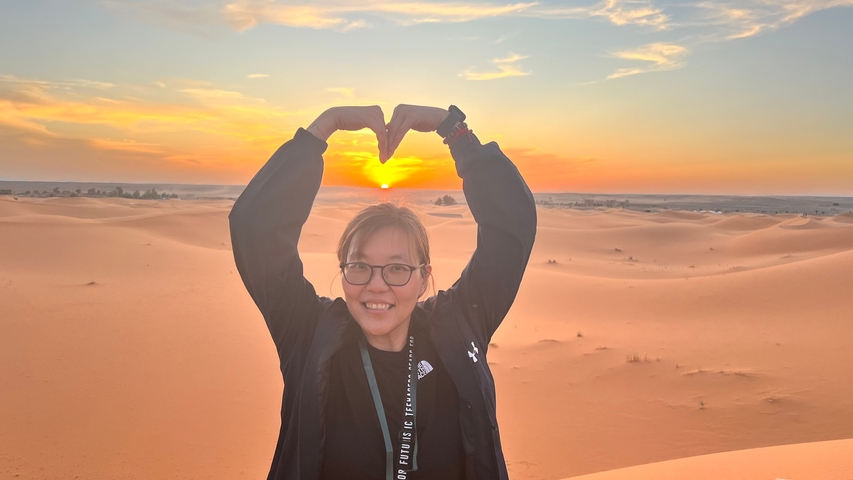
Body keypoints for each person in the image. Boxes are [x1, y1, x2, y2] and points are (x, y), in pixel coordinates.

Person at [229, 104, 537, 480]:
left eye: (397, 268)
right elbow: (255, 227)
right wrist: (323, 129)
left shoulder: (459, 326)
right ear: (343, 271)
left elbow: (512, 222)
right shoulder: (309, 335)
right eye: (359, 266)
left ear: (424, 277)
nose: (377, 285)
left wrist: (454, 131)